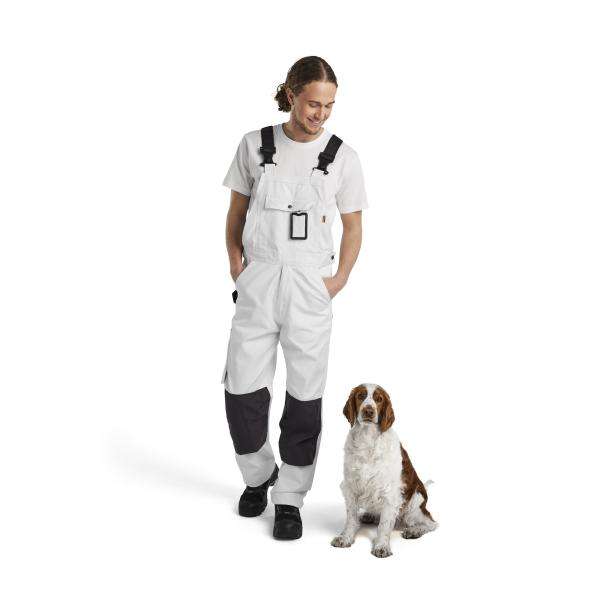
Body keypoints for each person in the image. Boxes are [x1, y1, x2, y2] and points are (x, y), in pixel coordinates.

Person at [221, 56, 368, 540]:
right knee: (242, 387)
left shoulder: (343, 156)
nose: (320, 114)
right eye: (312, 104)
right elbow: (236, 211)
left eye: (329, 106)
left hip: (310, 286)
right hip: (259, 278)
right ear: (290, 94)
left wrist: (337, 280)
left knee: (305, 394)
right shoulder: (254, 145)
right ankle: (259, 474)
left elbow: (353, 226)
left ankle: (290, 497)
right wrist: (236, 264)